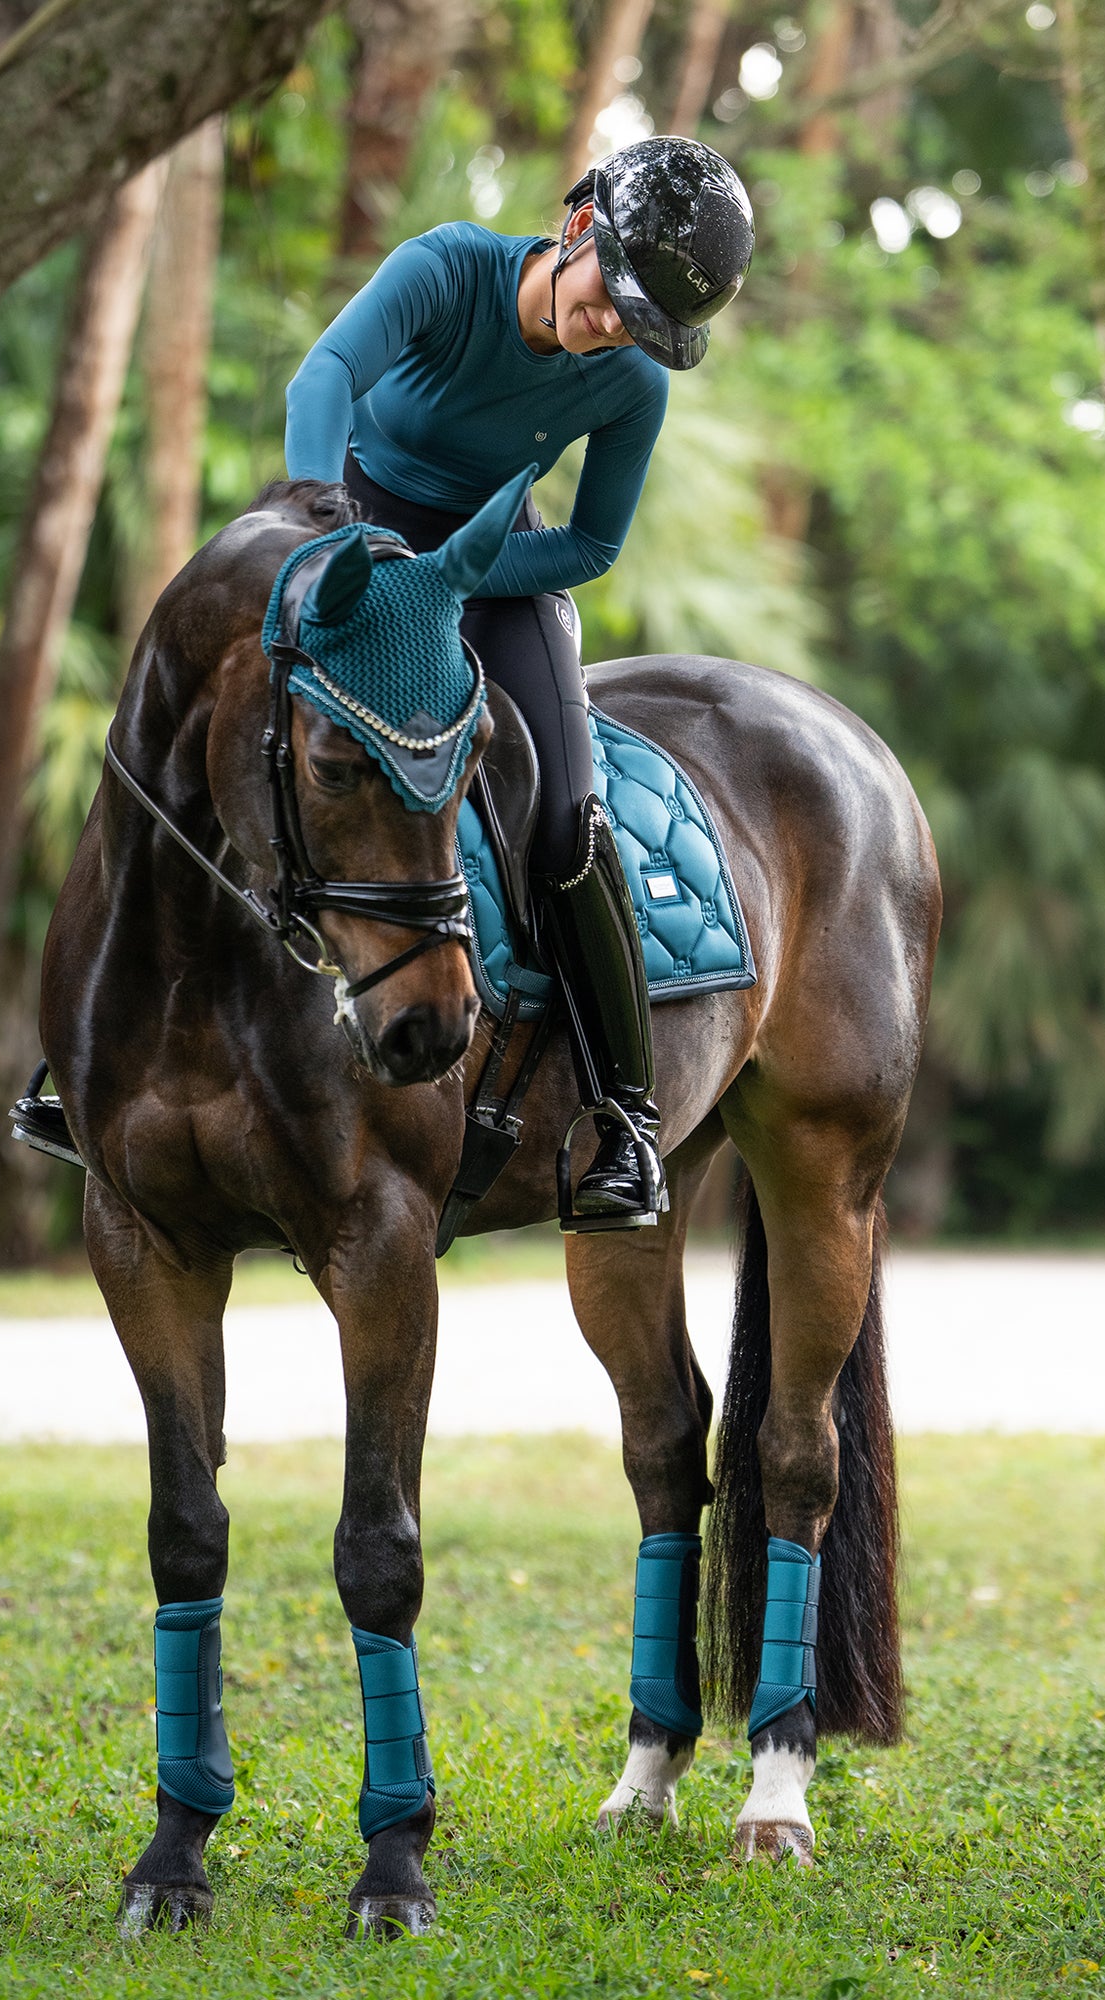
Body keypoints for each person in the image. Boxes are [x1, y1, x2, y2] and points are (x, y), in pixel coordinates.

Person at [284, 136, 753, 1228]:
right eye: (609, 299)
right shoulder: (447, 267)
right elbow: (326, 377)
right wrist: (315, 529)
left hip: (496, 565)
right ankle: (83, 1058)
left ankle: (623, 1117)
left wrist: (451, 575)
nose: (611, 329)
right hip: (344, 522)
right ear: (581, 225)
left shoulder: (632, 381)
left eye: (640, 325)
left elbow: (592, 544)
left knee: (565, 818)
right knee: (208, 716)